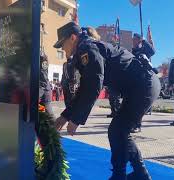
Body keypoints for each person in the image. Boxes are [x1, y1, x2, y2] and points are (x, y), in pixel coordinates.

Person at [54, 22, 160, 180]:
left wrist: (76, 119)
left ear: (73, 38)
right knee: (119, 131)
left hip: (143, 85)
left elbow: (93, 85)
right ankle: (138, 174)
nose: (62, 49)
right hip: (138, 87)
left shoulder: (87, 48)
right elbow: (85, 88)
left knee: (118, 130)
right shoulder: (84, 50)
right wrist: (65, 115)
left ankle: (126, 175)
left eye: (63, 44)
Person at [131, 33, 156, 133]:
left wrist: (145, 40)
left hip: (143, 79)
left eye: (135, 39)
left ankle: (137, 125)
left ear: (139, 40)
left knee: (139, 104)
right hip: (134, 80)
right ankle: (132, 123)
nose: (133, 41)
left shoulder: (144, 50)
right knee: (132, 104)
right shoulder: (133, 51)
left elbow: (153, 51)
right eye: (133, 40)